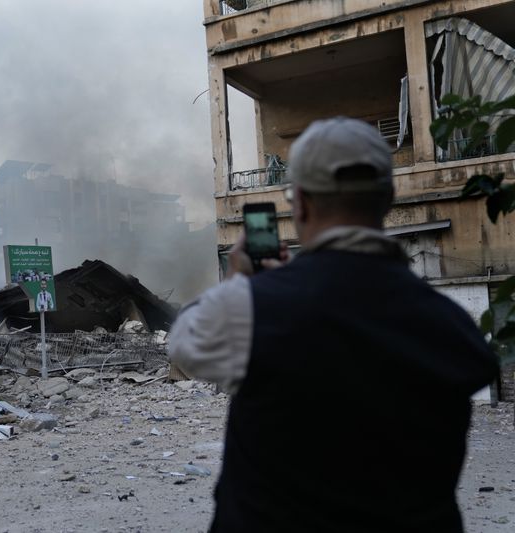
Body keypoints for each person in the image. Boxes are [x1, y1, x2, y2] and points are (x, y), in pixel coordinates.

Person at [169, 117, 499, 532]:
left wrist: (242, 282)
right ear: (388, 199)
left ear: (301, 202)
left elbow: (184, 341)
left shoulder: (252, 309)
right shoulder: (451, 324)